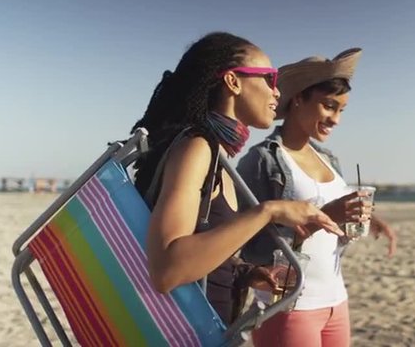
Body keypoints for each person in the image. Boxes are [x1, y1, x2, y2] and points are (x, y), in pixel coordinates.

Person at [129, 32, 343, 325]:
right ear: (233, 82)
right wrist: (271, 210)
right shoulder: (197, 147)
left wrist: (243, 273)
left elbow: (201, 250)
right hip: (184, 332)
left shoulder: (217, 154)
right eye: (269, 79)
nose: (277, 92)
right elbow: (167, 270)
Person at [237, 48, 397, 346]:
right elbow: (246, 247)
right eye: (328, 106)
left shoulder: (328, 158)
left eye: (341, 110)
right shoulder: (262, 161)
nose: (335, 119)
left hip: (336, 299)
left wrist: (368, 219)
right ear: (298, 98)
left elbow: (334, 212)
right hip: (290, 306)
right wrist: (323, 218)